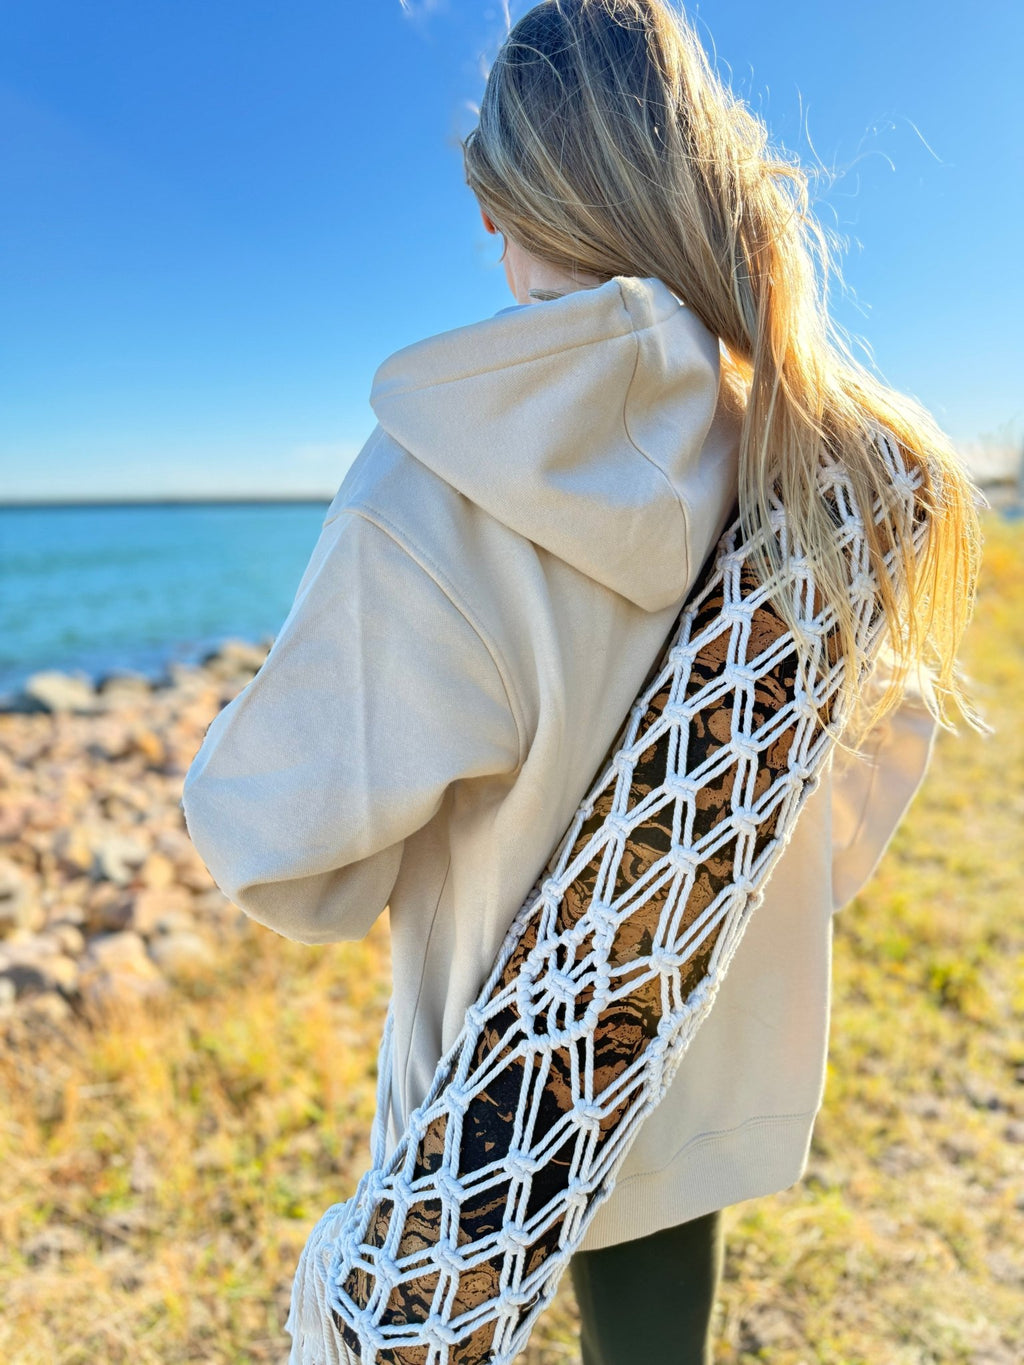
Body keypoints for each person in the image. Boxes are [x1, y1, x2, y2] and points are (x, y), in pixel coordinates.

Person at [181, 2, 980, 1360]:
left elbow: (284, 857)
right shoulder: (805, 460)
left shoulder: (436, 478)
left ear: (505, 210)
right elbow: (842, 808)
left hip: (491, 1131)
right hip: (689, 1068)